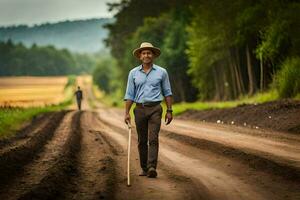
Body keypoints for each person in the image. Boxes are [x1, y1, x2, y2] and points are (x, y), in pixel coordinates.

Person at [124, 42, 173, 178]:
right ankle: (144, 168)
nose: (146, 55)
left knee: (153, 138)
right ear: (140, 56)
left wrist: (169, 111)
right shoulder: (133, 73)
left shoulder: (162, 72)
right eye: (144, 53)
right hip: (139, 109)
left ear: (153, 56)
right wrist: (126, 113)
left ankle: (152, 167)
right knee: (142, 140)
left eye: (149, 53)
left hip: (156, 109)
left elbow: (167, 92)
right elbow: (129, 95)